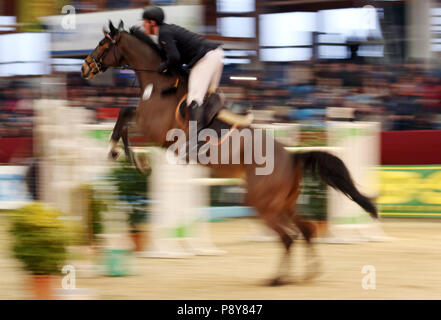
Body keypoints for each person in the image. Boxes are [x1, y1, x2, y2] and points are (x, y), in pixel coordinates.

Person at [142, 6, 224, 130]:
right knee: (208, 97)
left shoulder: (163, 33)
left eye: (144, 22)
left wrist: (163, 67)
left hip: (206, 58)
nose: (143, 25)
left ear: (152, 23)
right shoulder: (167, 30)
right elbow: (176, 60)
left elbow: (174, 58)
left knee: (194, 99)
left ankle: (196, 141)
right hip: (217, 54)